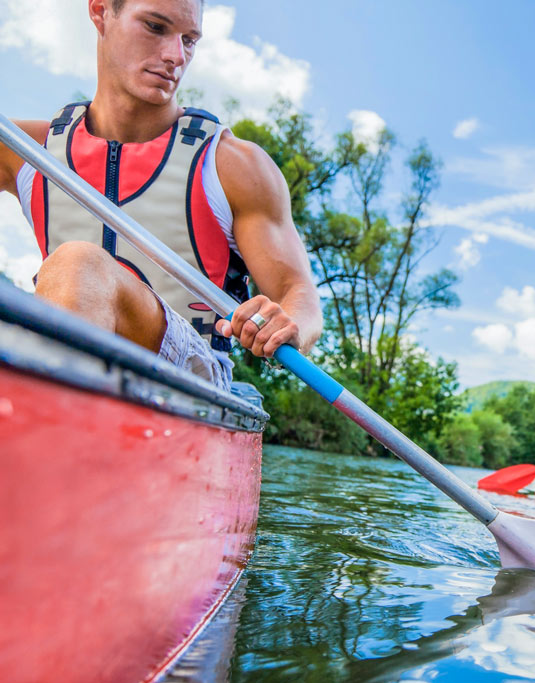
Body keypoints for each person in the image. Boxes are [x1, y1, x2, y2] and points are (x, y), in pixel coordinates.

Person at [0, 0, 322, 394]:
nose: (175, 57)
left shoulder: (234, 165)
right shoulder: (23, 147)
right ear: (101, 12)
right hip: (53, 346)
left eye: (189, 40)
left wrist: (286, 322)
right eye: (155, 27)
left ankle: (46, 428)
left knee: (77, 263)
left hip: (192, 374)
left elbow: (299, 294)